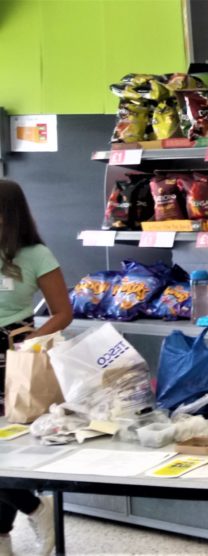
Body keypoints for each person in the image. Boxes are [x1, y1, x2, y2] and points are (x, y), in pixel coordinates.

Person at [0, 179, 73, 555]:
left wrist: (30, 342)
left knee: (8, 452)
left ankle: (19, 519)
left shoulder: (35, 254)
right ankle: (30, 513)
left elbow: (62, 312)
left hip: (16, 357)